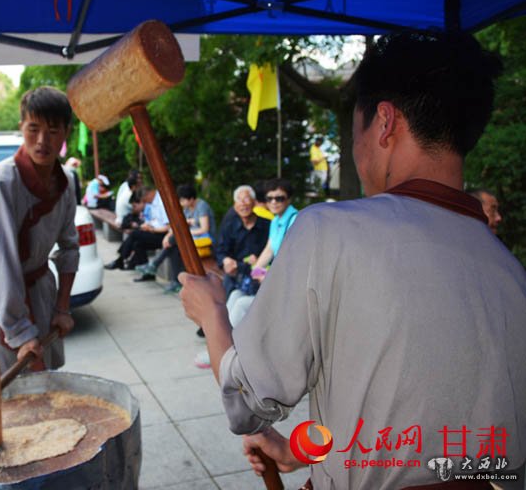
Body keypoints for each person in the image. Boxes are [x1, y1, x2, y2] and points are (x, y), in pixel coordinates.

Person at [179, 32, 525, 490]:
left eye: (355, 131)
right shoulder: (511, 274)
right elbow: (413, 429)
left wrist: (212, 314)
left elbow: (248, 402)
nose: (355, 151)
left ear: (384, 122)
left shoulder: (329, 232)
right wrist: (297, 451)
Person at [0, 86, 79, 374]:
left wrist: (62, 308)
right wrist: (19, 331)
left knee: (46, 386)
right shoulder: (1, 182)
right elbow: (1, 262)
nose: (42, 141)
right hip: (5, 304)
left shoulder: (66, 182)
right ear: (21, 127)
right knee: (7, 390)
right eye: (33, 129)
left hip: (42, 293)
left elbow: (70, 246)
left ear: (66, 132)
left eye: (53, 131)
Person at [226, 178, 298, 328]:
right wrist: (255, 271)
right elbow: (269, 250)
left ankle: (226, 340)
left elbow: (294, 260)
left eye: (279, 198)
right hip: (274, 281)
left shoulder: (295, 220)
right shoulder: (276, 221)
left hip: (288, 288)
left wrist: (268, 276)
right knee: (235, 294)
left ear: (289, 199)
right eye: (269, 198)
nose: (273, 202)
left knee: (241, 304)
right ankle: (222, 336)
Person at [134, 183, 216, 293]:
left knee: (176, 241)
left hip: (205, 242)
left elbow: (204, 229)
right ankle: (174, 281)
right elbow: (178, 226)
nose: (181, 203)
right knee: (173, 247)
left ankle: (155, 265)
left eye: (183, 200)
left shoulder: (202, 206)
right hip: (193, 240)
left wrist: (186, 233)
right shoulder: (187, 208)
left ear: (191, 199)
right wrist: (167, 236)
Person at [104, 187, 169, 270]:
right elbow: (154, 220)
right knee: (138, 244)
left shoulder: (161, 203)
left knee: (134, 234)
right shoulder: (153, 201)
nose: (145, 203)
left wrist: (151, 229)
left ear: (148, 194)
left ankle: (120, 260)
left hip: (164, 235)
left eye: (144, 200)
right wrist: (147, 225)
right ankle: (146, 272)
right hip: (154, 230)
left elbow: (168, 227)